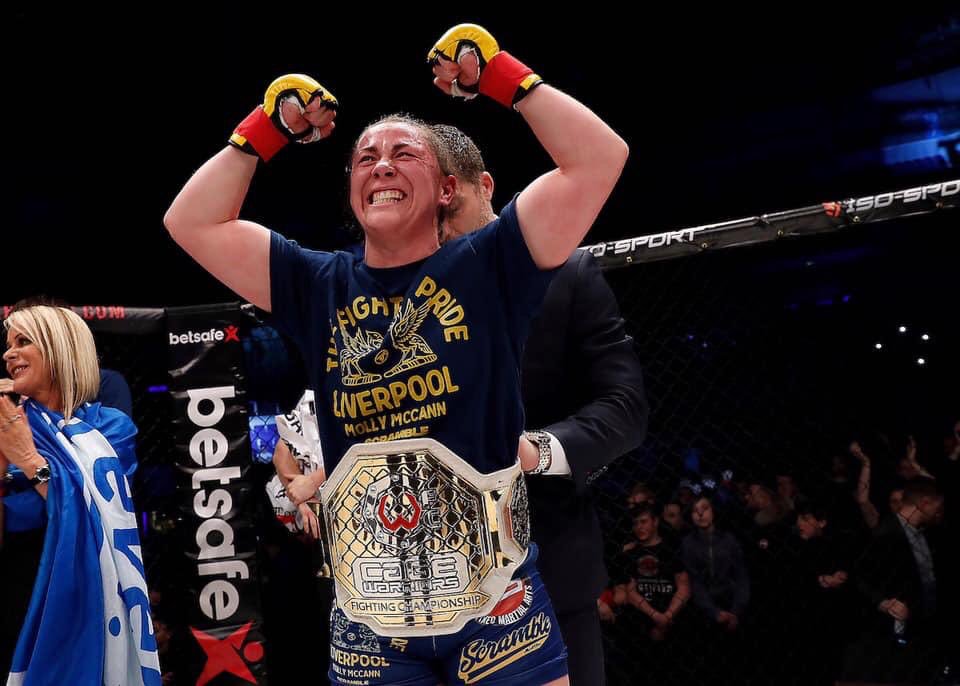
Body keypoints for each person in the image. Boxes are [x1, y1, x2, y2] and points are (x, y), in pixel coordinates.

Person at [165, 22, 628, 686]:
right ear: (353, 193)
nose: (381, 164)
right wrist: (267, 128)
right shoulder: (317, 284)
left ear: (446, 189)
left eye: (404, 153)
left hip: (495, 604)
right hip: (369, 619)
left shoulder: (491, 264)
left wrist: (500, 75)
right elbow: (191, 221)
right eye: (365, 158)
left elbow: (598, 158)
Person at [431, 122, 647, 685]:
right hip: (431, 587)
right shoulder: (392, 301)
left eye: (451, 211)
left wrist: (536, 451)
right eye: (429, 220)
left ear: (485, 187)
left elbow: (625, 407)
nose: (442, 234)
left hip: (548, 563)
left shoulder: (564, 274)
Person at [0, 304, 160, 684]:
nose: (8, 354)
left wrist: (29, 460)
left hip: (88, 596)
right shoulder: (6, 424)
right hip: (14, 593)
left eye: (23, 342)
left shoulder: (109, 428)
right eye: (8, 345)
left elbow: (99, 514)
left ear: (59, 348)